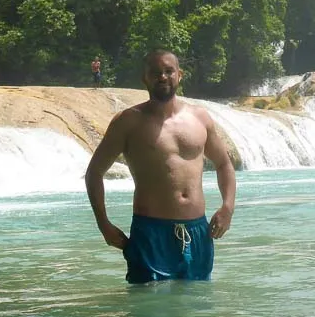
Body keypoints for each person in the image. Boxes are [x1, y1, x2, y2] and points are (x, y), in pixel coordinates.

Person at [84, 49, 236, 283]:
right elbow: (94, 172)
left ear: (180, 75)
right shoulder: (128, 121)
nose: (162, 77)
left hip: (198, 232)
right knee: (149, 310)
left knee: (198, 307)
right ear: (145, 78)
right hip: (151, 233)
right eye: (155, 73)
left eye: (168, 71)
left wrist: (227, 207)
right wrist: (103, 223)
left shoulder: (200, 118)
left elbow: (224, 163)